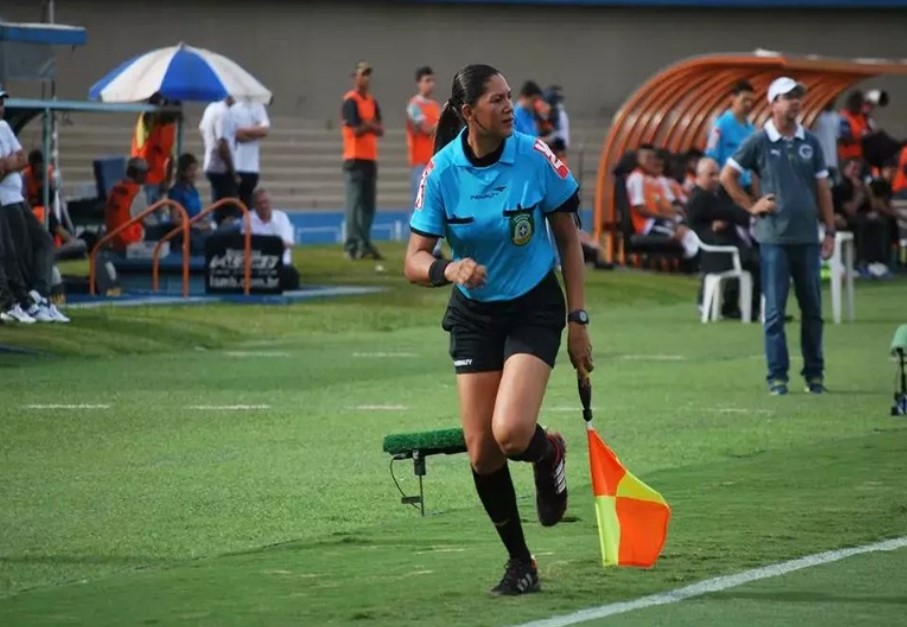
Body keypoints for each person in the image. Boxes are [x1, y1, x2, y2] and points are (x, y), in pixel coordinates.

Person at [404, 64, 593, 596]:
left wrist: (577, 319)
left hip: (533, 305)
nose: (510, 107)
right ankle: (520, 561)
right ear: (468, 114)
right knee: (482, 451)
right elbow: (414, 260)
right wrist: (448, 269)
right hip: (473, 312)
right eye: (496, 100)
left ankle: (548, 451)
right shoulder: (441, 171)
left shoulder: (534, 157)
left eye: (511, 97)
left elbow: (568, 239)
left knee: (511, 434)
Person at [720, 77, 835, 396]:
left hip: (808, 238)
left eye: (798, 96)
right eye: (787, 97)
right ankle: (777, 377)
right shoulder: (759, 141)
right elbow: (727, 175)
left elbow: (823, 189)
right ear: (773, 104)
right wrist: (750, 205)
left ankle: (815, 375)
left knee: (813, 309)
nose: (795, 102)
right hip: (774, 239)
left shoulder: (810, 140)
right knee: (774, 313)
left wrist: (830, 230)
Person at [686, 157, 759, 317]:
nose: (716, 179)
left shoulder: (713, 196)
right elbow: (734, 213)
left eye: (717, 174)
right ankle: (754, 309)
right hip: (716, 252)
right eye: (710, 175)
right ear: (699, 175)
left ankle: (735, 306)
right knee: (758, 262)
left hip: (722, 248)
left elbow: (727, 212)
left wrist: (726, 217)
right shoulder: (700, 198)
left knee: (752, 258)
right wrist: (742, 213)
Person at [341, 60, 384, 261]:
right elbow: (355, 130)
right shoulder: (350, 101)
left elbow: (380, 129)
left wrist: (367, 125)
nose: (366, 78)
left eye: (368, 74)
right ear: (355, 77)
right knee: (354, 205)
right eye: (362, 74)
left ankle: (364, 243)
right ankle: (351, 244)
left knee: (368, 206)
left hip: (369, 158)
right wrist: (369, 126)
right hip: (354, 158)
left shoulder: (372, 102)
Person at [245, 187, 300, 291]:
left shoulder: (281, 217)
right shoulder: (248, 219)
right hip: (258, 266)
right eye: (259, 203)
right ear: (254, 206)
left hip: (281, 266)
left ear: (270, 202)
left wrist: (265, 245)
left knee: (291, 274)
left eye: (265, 202)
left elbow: (288, 244)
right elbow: (246, 245)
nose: (263, 206)